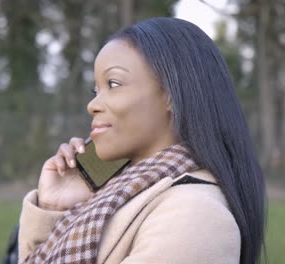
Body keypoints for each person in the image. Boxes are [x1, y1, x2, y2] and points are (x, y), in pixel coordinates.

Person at [18, 17, 266, 264]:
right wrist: (53, 207)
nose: (92, 105)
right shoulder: (118, 196)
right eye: (96, 91)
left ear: (172, 95)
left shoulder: (194, 215)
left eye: (113, 84)